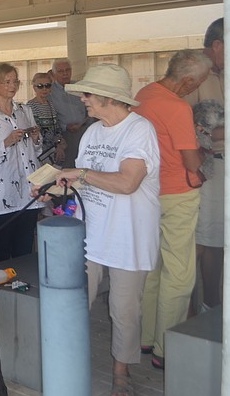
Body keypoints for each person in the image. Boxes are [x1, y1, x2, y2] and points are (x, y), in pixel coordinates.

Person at [48, 64, 160, 396]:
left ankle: (121, 372)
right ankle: (67, 362)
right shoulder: (94, 131)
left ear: (108, 98)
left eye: (87, 94)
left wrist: (79, 174)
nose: (83, 99)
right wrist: (50, 189)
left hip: (129, 236)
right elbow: (80, 183)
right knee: (75, 302)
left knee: (124, 310)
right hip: (90, 234)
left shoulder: (140, 131)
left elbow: (127, 182)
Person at [135, 50, 211, 369]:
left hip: (150, 191)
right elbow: (190, 159)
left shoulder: (144, 94)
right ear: (188, 80)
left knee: (154, 270)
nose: (198, 88)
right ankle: (165, 350)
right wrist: (203, 152)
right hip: (178, 193)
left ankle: (147, 338)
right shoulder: (178, 107)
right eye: (200, 82)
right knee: (179, 274)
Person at [0, 64, 43, 264]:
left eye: (15, 81)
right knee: (1, 249)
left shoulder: (24, 111)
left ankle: (22, 290)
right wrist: (5, 142)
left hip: (27, 190)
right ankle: (0, 293)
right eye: (7, 81)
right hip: (1, 192)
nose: (13, 86)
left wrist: (36, 138)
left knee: (25, 248)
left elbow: (35, 151)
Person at [186, 17, 225, 312]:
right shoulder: (193, 74)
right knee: (203, 241)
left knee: (218, 240)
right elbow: (183, 128)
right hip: (205, 168)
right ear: (217, 45)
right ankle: (197, 313)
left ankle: (215, 308)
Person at [49, 58, 91, 167]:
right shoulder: (50, 92)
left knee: (86, 165)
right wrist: (65, 127)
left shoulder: (79, 88)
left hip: (85, 132)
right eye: (60, 71)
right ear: (54, 74)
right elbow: (49, 117)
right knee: (69, 167)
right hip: (64, 137)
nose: (65, 74)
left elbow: (90, 109)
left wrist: (84, 123)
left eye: (67, 70)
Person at [27, 72, 66, 165]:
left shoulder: (50, 105)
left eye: (47, 85)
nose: (44, 89)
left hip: (53, 153)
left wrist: (59, 146)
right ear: (34, 87)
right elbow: (35, 132)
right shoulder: (30, 106)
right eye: (40, 86)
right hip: (39, 154)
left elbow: (56, 129)